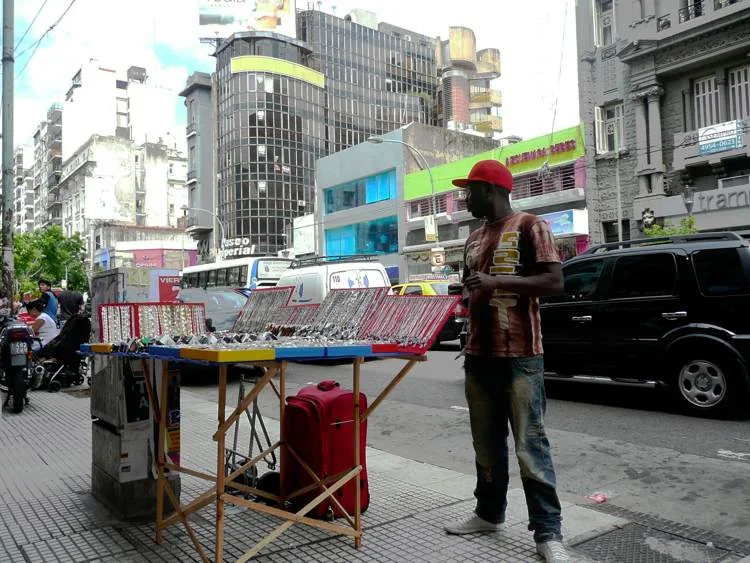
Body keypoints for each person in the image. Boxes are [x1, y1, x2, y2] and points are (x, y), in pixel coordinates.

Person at [443, 160, 568, 562]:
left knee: (531, 447)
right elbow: (471, 288)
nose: (465, 198)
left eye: (470, 190)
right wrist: (462, 296)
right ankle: (488, 513)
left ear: (491, 190)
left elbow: (553, 282)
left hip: (521, 358)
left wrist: (498, 281)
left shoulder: (532, 226)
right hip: (478, 357)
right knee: (486, 446)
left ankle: (548, 534)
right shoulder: (474, 237)